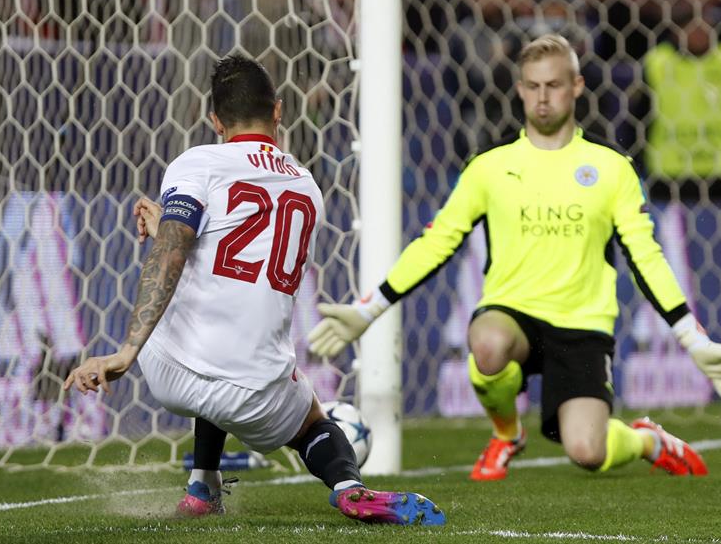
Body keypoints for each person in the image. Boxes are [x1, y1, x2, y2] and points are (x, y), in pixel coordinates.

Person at [308, 34, 721, 482]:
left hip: (583, 325)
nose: (543, 98)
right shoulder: (489, 167)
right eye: (533, 86)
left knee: (587, 451)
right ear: (519, 88)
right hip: (513, 313)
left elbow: (646, 256)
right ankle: (507, 433)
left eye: (554, 85)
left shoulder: (611, 168)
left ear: (577, 86)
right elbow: (436, 243)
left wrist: (693, 339)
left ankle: (647, 440)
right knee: (486, 343)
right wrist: (369, 310)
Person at [63, 54, 445, 526]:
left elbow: (175, 249)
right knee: (313, 422)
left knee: (201, 328)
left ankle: (203, 486)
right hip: (255, 389)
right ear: (279, 111)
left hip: (168, 370)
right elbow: (238, 249)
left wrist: (124, 351)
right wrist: (171, 227)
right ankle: (350, 487)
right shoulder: (307, 187)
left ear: (215, 120)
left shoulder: (197, 162)